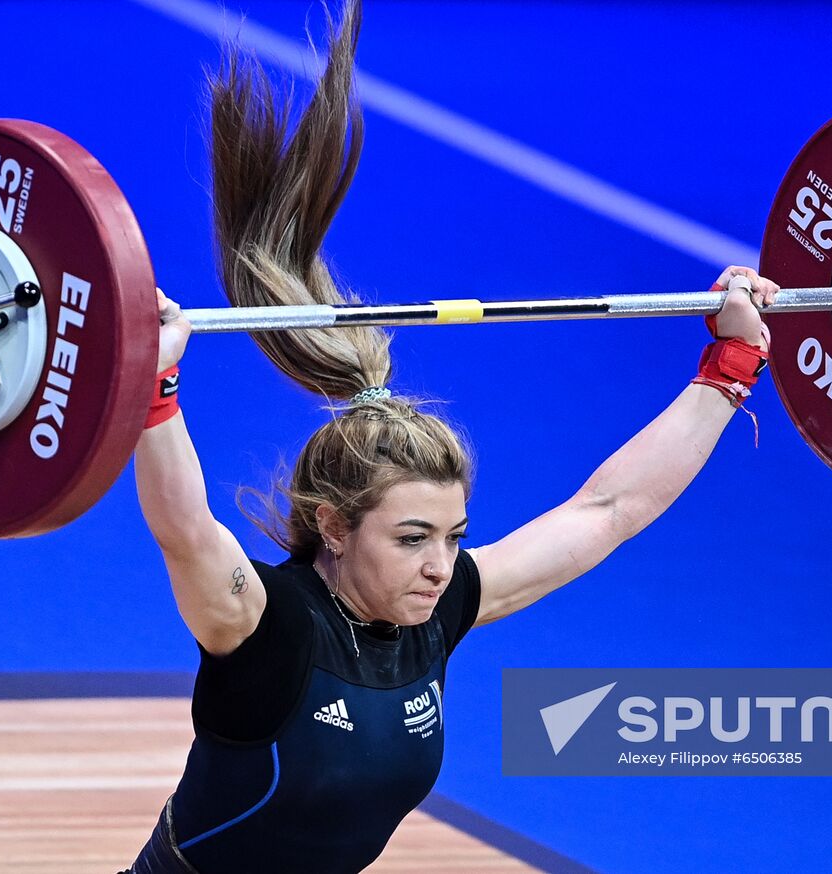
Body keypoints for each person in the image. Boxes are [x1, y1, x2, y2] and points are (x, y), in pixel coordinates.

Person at [125, 2, 777, 871]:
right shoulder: (264, 628)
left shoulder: (437, 611)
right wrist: (154, 389)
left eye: (452, 537)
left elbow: (608, 510)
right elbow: (184, 530)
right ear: (331, 526)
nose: (441, 564)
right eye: (412, 538)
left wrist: (730, 370)